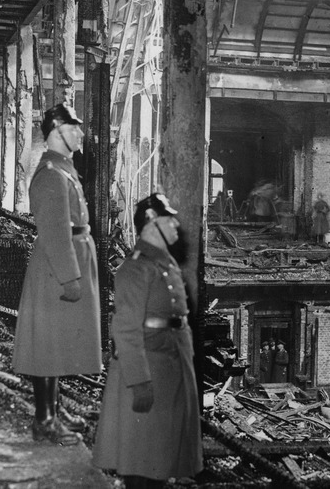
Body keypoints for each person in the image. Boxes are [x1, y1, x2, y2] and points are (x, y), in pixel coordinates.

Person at [93, 193, 203, 488]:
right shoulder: (136, 267)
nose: (176, 226)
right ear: (152, 221)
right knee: (141, 460)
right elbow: (126, 329)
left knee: (159, 457)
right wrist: (139, 381)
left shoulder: (164, 263)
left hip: (170, 363)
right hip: (149, 368)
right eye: (170, 220)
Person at [11, 104, 101, 445]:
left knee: (57, 342)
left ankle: (53, 412)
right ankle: (44, 420)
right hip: (56, 265)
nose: (80, 134)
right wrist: (69, 276)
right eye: (74, 128)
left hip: (71, 254)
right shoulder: (50, 172)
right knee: (47, 345)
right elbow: (53, 230)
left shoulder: (64, 168)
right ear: (56, 131)